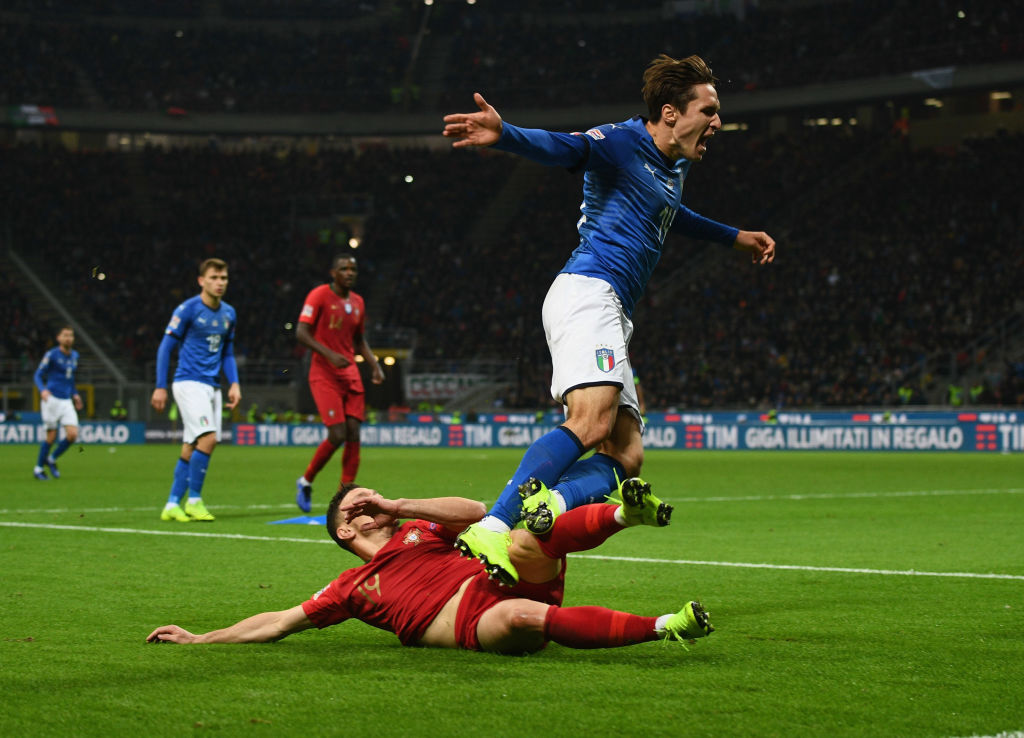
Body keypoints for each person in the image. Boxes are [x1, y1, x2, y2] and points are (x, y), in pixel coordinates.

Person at [442, 54, 776, 585]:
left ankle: (548, 497)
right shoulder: (621, 142)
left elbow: (672, 214)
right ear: (669, 112)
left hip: (614, 310)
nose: (717, 122)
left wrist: (734, 235)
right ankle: (495, 524)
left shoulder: (675, 167)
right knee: (592, 423)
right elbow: (568, 147)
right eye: (708, 110)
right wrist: (506, 134)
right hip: (588, 292)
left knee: (626, 455)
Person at [146, 481, 712, 653]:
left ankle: (624, 513)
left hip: (502, 577)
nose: (369, 504)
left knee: (521, 537)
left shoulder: (417, 529)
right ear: (346, 530)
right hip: (475, 623)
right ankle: (666, 627)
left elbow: (476, 514)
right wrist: (201, 639)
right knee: (518, 616)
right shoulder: (351, 586)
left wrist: (397, 506)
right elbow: (277, 621)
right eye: (358, 506)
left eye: (373, 497)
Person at [151, 258, 241, 523]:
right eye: (214, 277)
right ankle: (194, 501)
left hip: (212, 387)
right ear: (202, 280)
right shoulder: (188, 309)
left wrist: (234, 382)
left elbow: (228, 353)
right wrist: (160, 386)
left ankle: (171, 504)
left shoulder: (229, 313)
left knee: (191, 446)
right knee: (209, 439)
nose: (219, 283)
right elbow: (165, 348)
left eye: (223, 278)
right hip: (188, 382)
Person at [294, 254, 385, 513]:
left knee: (354, 433)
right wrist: (328, 354)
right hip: (324, 373)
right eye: (343, 269)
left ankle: (345, 497)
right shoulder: (319, 295)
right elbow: (301, 332)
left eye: (353, 269)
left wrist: (374, 364)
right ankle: (305, 480)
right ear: (333, 273)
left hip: (350, 373)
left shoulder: (358, 302)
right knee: (337, 434)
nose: (349, 272)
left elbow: (359, 339)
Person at [32, 326, 83, 480]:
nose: (68, 338)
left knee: (73, 435)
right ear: (58, 338)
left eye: (71, 335)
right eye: (65, 335)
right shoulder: (52, 354)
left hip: (66, 400)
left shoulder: (75, 355)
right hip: (51, 399)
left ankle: (51, 458)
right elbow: (38, 375)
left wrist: (75, 394)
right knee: (51, 436)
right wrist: (42, 390)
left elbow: (70, 378)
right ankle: (38, 469)